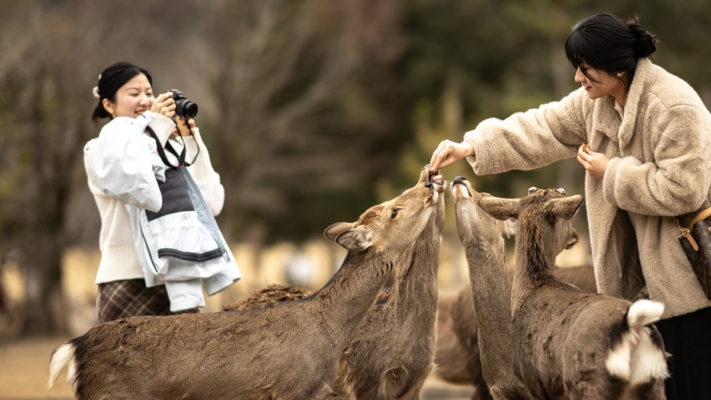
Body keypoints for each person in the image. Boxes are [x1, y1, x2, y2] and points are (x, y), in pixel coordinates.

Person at [429, 13, 711, 400]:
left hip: (689, 286)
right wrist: (472, 146)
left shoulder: (674, 107)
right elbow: (541, 127)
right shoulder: (596, 102)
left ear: (617, 67)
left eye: (585, 69)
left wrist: (610, 172)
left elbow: (686, 189)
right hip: (640, 286)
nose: (578, 78)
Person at [85, 62, 240, 323]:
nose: (145, 100)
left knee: (189, 364)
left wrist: (191, 140)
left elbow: (211, 205)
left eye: (149, 92)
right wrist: (154, 128)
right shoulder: (98, 149)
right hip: (126, 280)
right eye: (134, 94)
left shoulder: (169, 149)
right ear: (109, 105)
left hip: (177, 277)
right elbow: (135, 183)